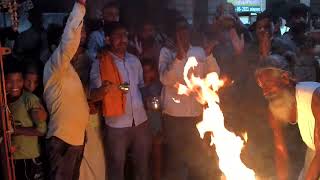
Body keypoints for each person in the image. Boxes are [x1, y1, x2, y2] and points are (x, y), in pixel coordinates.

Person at [159, 16, 220, 180]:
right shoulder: (166, 52)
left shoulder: (199, 51)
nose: (182, 33)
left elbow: (214, 75)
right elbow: (166, 79)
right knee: (175, 159)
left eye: (185, 29)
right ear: (173, 32)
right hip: (174, 116)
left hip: (195, 115)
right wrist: (178, 57)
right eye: (179, 29)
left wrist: (208, 55)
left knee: (196, 158)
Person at [90, 22, 151, 180]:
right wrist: (102, 91)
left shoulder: (134, 61)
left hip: (140, 121)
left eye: (125, 35)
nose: (123, 39)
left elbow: (140, 86)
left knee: (142, 167)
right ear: (108, 39)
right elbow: (94, 95)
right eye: (118, 36)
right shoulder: (100, 63)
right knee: (116, 169)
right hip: (116, 125)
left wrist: (149, 100)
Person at [42, 1, 90, 180]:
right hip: (62, 141)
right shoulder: (55, 66)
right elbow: (68, 43)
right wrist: (80, 8)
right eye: (81, 32)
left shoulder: (68, 70)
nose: (82, 38)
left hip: (75, 140)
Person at [255, 55, 320, 180]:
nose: (265, 92)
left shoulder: (314, 97)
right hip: (315, 149)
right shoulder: (274, 109)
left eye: (268, 83)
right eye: (262, 86)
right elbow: (280, 150)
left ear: (285, 78)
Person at [5, 59, 47, 180]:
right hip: (12, 159)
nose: (14, 86)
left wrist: (15, 130)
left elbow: (41, 130)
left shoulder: (30, 99)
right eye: (10, 81)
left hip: (28, 159)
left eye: (18, 81)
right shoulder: (5, 101)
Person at [140, 60, 163, 180]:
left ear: (154, 72)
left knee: (156, 154)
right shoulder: (137, 86)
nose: (146, 74)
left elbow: (159, 105)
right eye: (144, 71)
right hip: (141, 126)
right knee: (143, 156)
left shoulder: (158, 86)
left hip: (155, 125)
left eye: (149, 71)